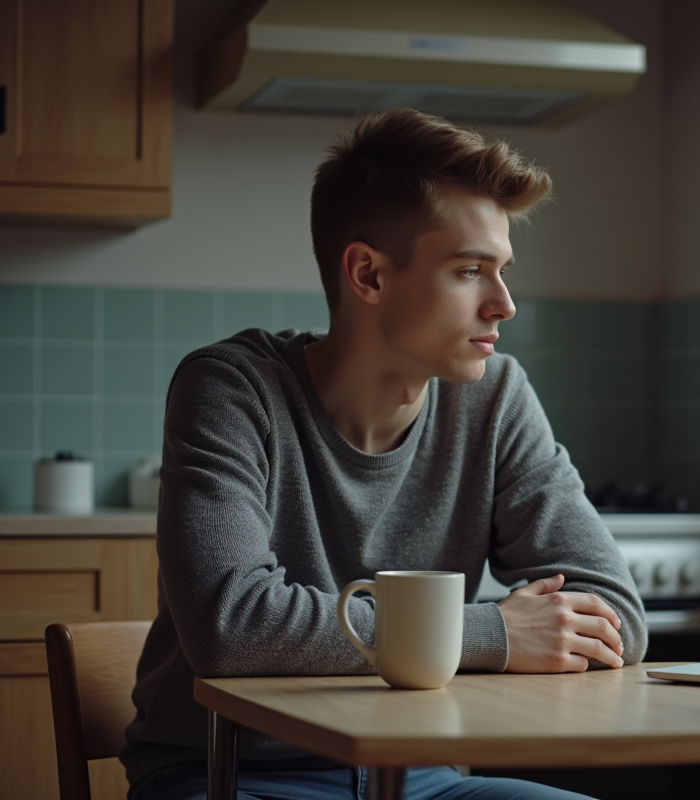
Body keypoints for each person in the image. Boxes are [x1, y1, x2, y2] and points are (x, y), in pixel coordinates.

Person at [120, 108, 647, 800]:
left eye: (503, 271)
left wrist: (474, 638)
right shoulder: (231, 387)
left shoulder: (496, 398)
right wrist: (491, 632)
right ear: (367, 275)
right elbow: (231, 625)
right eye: (470, 271)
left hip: (420, 777)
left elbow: (615, 617)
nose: (505, 305)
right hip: (229, 776)